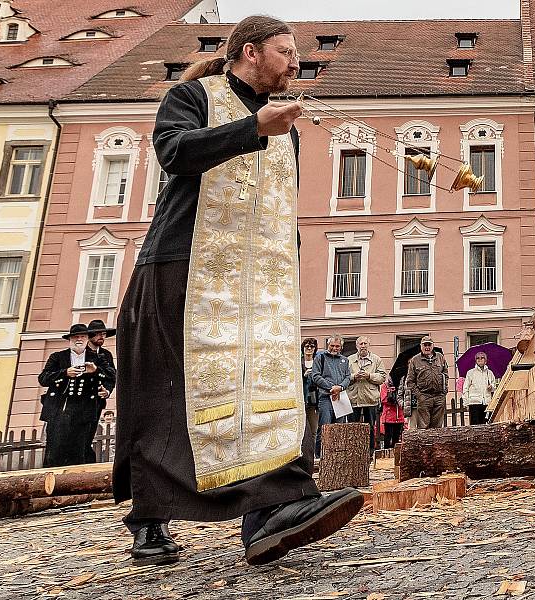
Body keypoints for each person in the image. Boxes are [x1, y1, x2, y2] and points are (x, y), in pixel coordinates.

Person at [113, 16, 363, 568]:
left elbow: (277, 203)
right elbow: (174, 153)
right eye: (286, 51)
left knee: (269, 389)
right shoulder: (191, 95)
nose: (297, 62)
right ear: (250, 52)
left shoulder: (287, 126)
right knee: (171, 393)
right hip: (183, 264)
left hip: (260, 280)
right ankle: (150, 519)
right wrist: (253, 130)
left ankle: (272, 513)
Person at [38, 324, 115, 467]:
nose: (79, 339)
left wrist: (96, 370)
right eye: (75, 337)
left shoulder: (97, 358)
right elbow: (43, 378)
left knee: (80, 449)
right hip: (60, 410)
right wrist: (65, 372)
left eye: (83, 336)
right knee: (55, 450)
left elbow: (111, 375)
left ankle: (77, 482)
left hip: (85, 410)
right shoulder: (58, 357)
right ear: (70, 339)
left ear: (87, 339)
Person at [311, 335, 352, 458]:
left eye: (337, 346)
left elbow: (348, 377)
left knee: (338, 428)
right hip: (325, 398)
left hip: (340, 397)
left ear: (341, 347)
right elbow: (316, 376)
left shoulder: (345, 360)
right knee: (325, 427)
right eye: (332, 345)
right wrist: (331, 387)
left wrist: (340, 387)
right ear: (328, 345)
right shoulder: (320, 358)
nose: (335, 348)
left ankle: (336, 456)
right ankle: (319, 456)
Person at [346, 336, 386, 455]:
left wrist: (369, 376)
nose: (363, 346)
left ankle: (370, 452)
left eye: (365, 343)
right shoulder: (349, 360)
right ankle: (354, 451)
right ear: (357, 346)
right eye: (361, 344)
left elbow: (382, 377)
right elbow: (344, 377)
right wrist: (354, 376)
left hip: (370, 398)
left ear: (369, 345)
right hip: (354, 398)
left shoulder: (376, 360)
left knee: (370, 427)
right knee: (353, 428)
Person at [85, 320, 117, 462]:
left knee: (90, 432)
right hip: (80, 399)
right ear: (90, 335)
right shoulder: (81, 352)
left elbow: (112, 376)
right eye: (98, 334)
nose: (101, 337)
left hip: (97, 401)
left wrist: (107, 391)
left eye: (103, 334)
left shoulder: (106, 355)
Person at [406, 336, 449, 429]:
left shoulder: (440, 357)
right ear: (421, 346)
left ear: (433, 346)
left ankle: (436, 444)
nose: (427, 347)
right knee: (423, 427)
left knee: (437, 427)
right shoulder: (415, 360)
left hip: (439, 397)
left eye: (429, 345)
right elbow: (410, 381)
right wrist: (419, 396)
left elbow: (445, 374)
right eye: (425, 345)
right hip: (424, 396)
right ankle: (424, 444)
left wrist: (444, 391)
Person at [463, 352, 495, 425]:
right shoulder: (470, 373)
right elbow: (465, 388)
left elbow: (494, 387)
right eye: (478, 358)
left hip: (487, 403)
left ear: (486, 360)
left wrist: (491, 387)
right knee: (475, 426)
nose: (480, 359)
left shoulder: (490, 373)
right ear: (475, 360)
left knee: (486, 425)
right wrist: (466, 403)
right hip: (474, 403)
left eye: (482, 357)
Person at [301, 338, 319, 444]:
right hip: (302, 398)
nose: (309, 348)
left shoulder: (317, 362)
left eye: (311, 346)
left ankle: (312, 454)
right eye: (306, 346)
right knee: (302, 429)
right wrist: (303, 376)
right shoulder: (298, 362)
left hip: (314, 400)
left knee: (314, 429)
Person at [380, 376, 404, 448]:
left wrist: (399, 400)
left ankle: (395, 453)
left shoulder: (402, 385)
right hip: (388, 416)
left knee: (396, 436)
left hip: (399, 415)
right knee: (388, 436)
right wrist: (391, 398)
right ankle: (386, 452)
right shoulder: (385, 386)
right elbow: (383, 399)